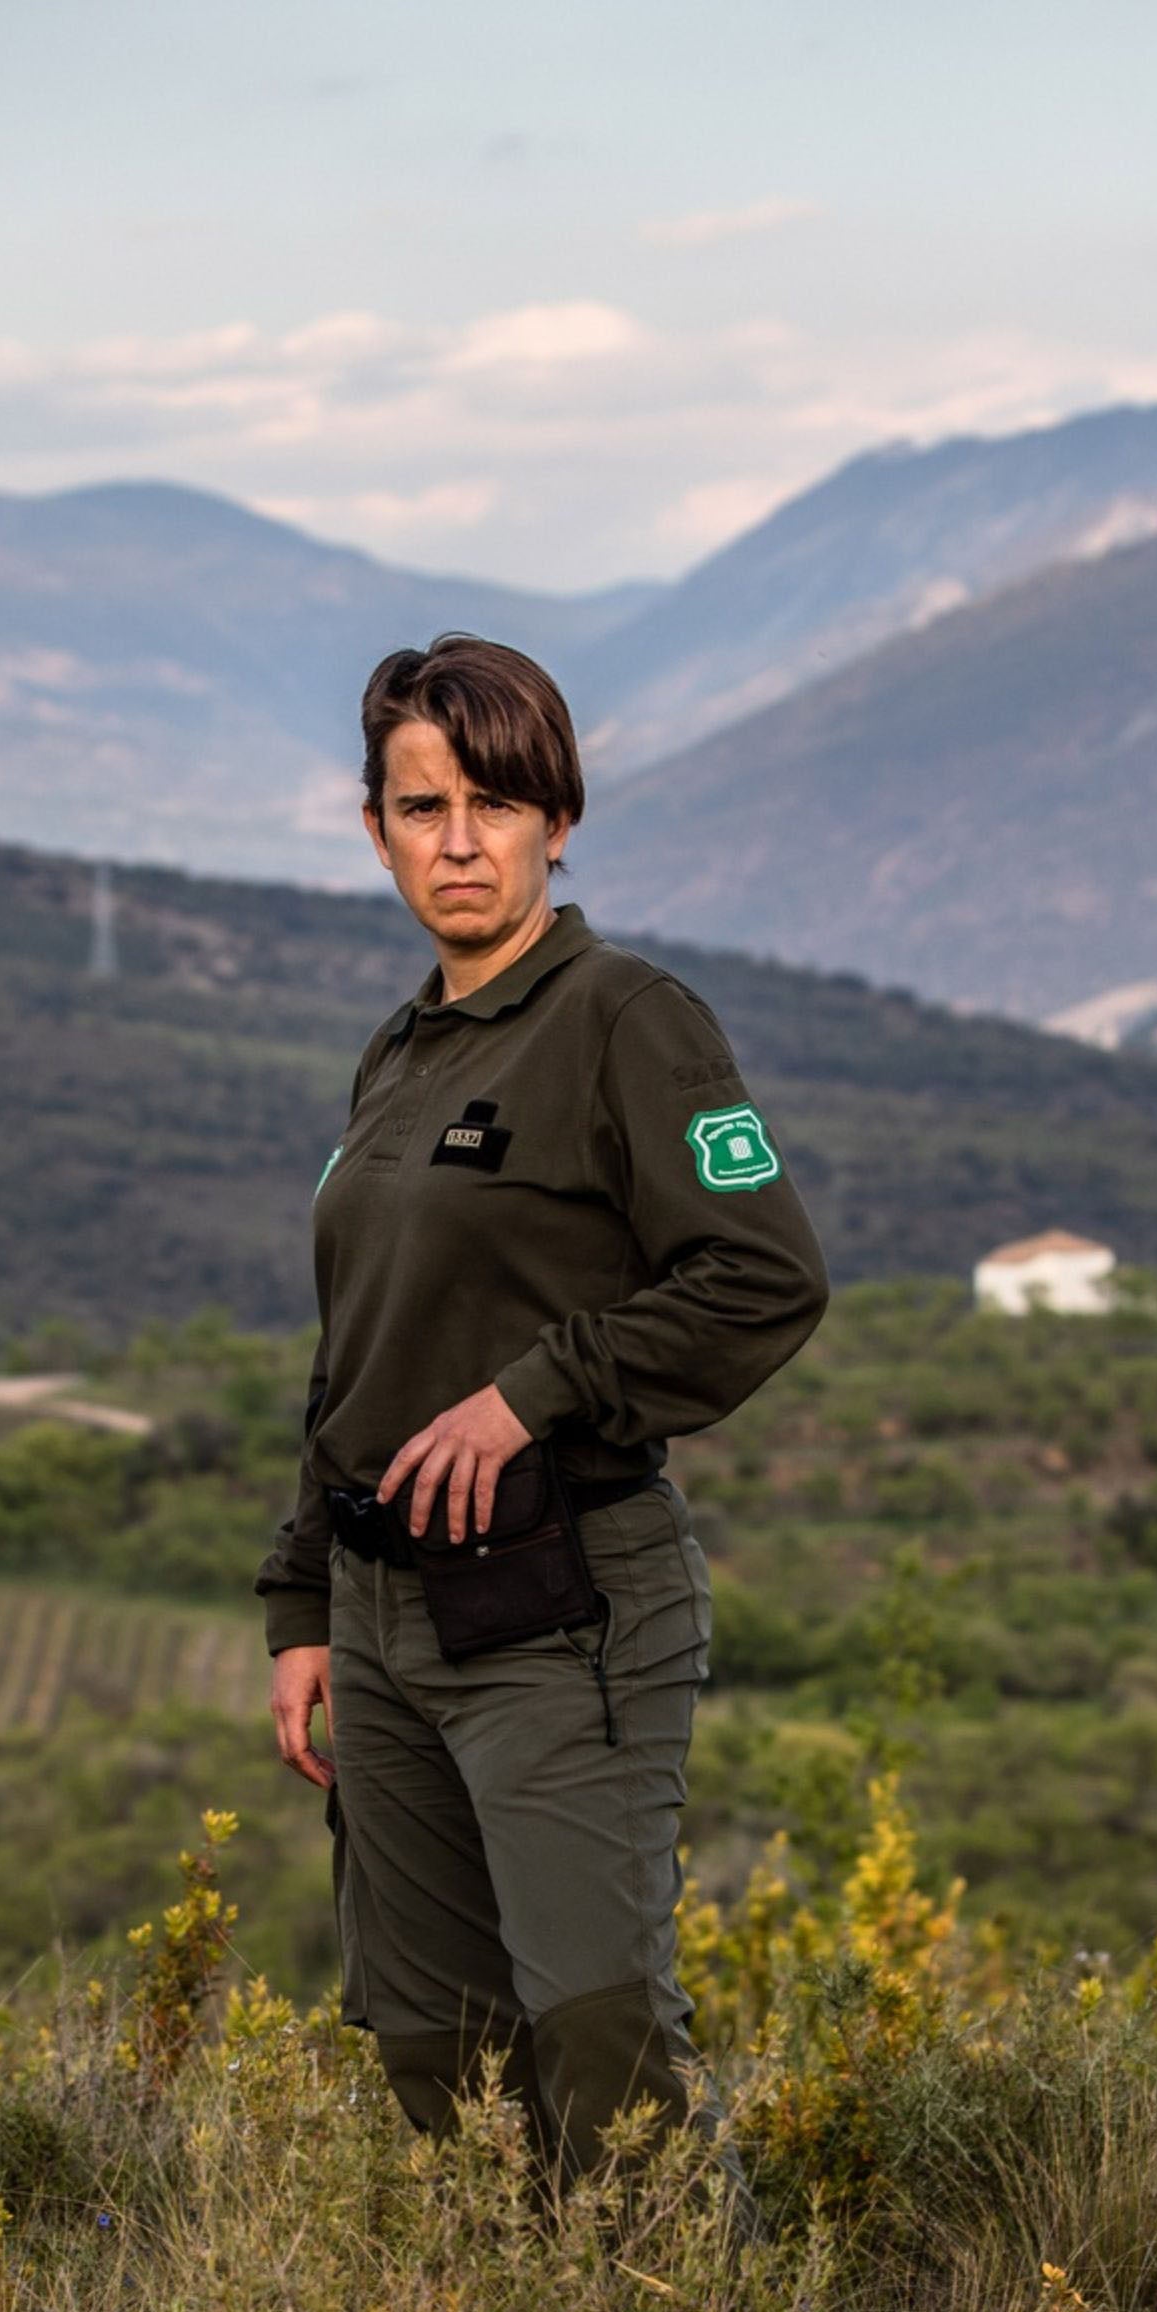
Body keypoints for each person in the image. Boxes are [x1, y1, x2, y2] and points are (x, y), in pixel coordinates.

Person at [258, 634, 829, 2185]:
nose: (459, 842)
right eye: (422, 805)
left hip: (558, 1608)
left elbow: (762, 1276)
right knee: (431, 2055)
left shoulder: (626, 1021)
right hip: (382, 1623)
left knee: (601, 2046)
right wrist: (300, 1602)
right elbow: (357, 1352)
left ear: (557, 821)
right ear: (371, 825)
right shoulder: (400, 1051)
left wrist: (532, 1396)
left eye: (496, 804)